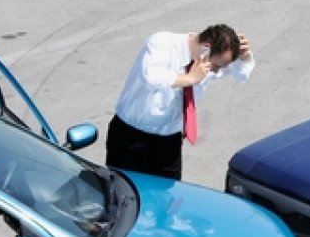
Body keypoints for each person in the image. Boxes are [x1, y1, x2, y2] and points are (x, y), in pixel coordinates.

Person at [105, 24, 254, 180]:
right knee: (121, 196)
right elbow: (150, 77)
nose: (216, 71)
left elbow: (241, 75)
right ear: (206, 48)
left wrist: (245, 57)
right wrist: (189, 78)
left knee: (169, 198)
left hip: (169, 144)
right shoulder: (162, 43)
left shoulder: (205, 63)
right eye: (216, 65)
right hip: (131, 138)